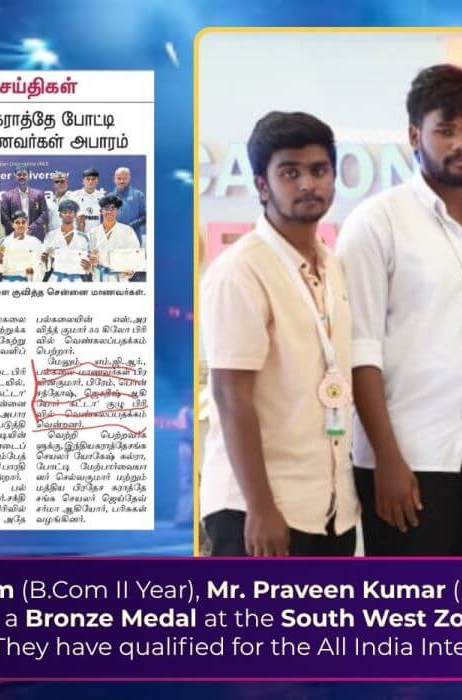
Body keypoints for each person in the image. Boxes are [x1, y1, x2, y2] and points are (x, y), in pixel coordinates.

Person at [336, 64, 462, 556]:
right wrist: (385, 458)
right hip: (408, 460)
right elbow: (360, 350)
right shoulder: (376, 222)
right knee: (410, 602)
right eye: (445, 131)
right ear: (414, 136)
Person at [198, 111, 360, 557]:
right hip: (257, 510)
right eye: (290, 173)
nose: (307, 184)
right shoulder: (240, 271)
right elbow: (231, 396)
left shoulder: (331, 265)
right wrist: (261, 506)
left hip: (328, 507)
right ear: (262, 185)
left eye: (318, 170)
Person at [89, 195, 142, 282]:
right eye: (106, 208)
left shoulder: (127, 230)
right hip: (99, 278)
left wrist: (131, 269)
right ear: (101, 211)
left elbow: (136, 254)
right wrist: (91, 261)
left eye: (113, 208)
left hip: (120, 278)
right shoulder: (93, 233)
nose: (109, 211)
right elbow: (87, 258)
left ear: (117, 211)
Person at [43, 199, 94, 282]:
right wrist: (44, 259)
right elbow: (44, 264)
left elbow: (89, 264)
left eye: (71, 212)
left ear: (75, 214)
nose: (68, 214)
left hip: (77, 280)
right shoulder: (51, 236)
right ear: (60, 215)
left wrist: (89, 267)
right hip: (55, 279)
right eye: (65, 212)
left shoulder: (83, 238)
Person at [0, 212, 45, 282]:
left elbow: (41, 265)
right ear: (13, 225)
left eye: (23, 222)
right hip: (8, 281)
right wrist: (0, 260)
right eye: (17, 222)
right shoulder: (4, 243)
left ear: (27, 224)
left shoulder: (35, 242)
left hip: (28, 280)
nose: (21, 225)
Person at [0, 167, 48, 235]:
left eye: (24, 174)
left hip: (35, 234)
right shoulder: (7, 196)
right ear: (15, 177)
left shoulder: (39, 194)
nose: (22, 177)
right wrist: (18, 228)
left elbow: (44, 215)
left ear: (29, 176)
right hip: (15, 234)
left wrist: (31, 228)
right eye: (19, 175)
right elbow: (4, 216)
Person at [112, 166, 147, 236]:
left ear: (129, 178)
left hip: (134, 236)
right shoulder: (109, 197)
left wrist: (130, 227)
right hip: (115, 237)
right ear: (114, 179)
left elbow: (145, 217)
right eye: (119, 178)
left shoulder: (138, 195)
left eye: (125, 178)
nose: (122, 181)